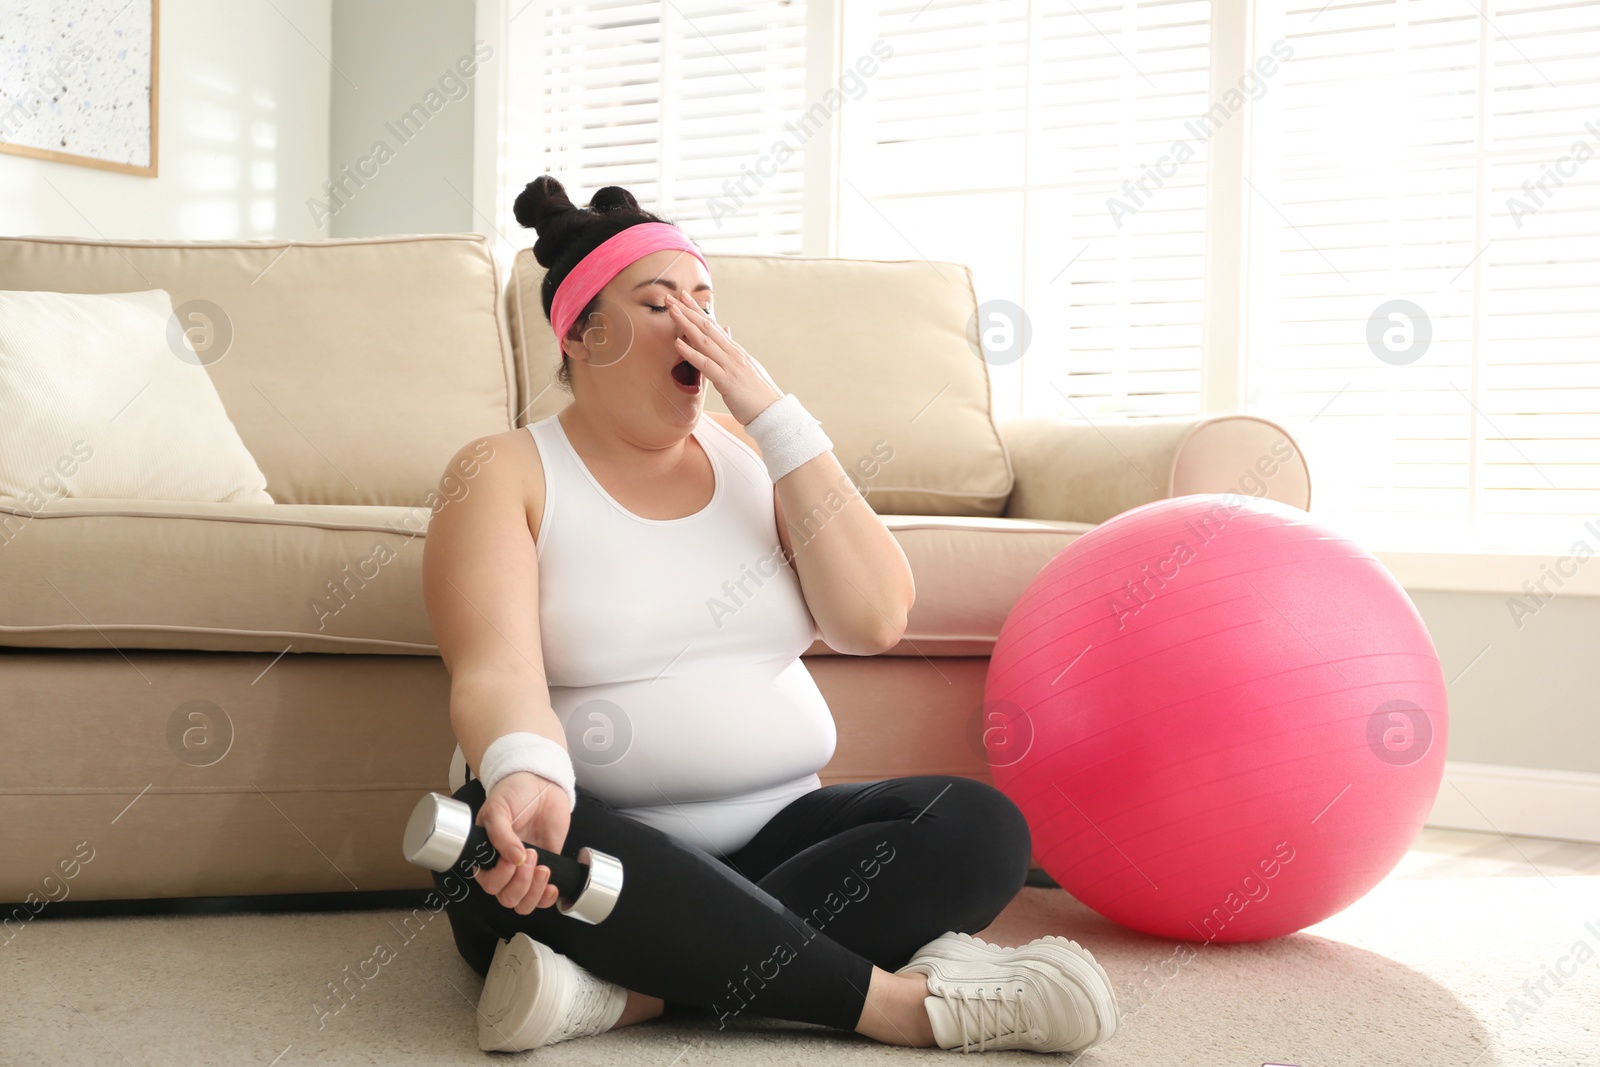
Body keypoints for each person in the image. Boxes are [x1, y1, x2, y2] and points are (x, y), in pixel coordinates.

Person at [419, 174, 1120, 1055]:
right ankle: (902, 1008)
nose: (697, 322)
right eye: (659, 299)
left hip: (780, 838)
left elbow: (873, 618)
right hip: (591, 845)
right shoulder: (501, 471)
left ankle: (638, 989)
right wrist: (526, 773)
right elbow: (496, 671)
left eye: (707, 299)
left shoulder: (756, 454)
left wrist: (780, 421)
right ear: (584, 332)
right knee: (497, 827)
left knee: (981, 827)